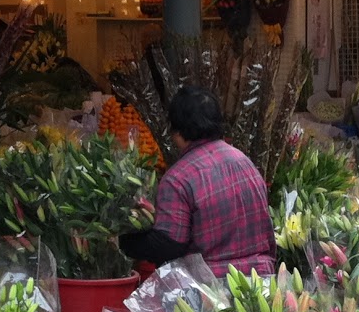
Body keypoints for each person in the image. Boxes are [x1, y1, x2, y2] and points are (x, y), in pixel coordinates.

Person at [118, 85, 277, 275]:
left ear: (177, 131)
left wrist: (122, 241)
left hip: (210, 289)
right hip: (261, 280)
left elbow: (169, 244)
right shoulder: (244, 162)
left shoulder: (178, 178)